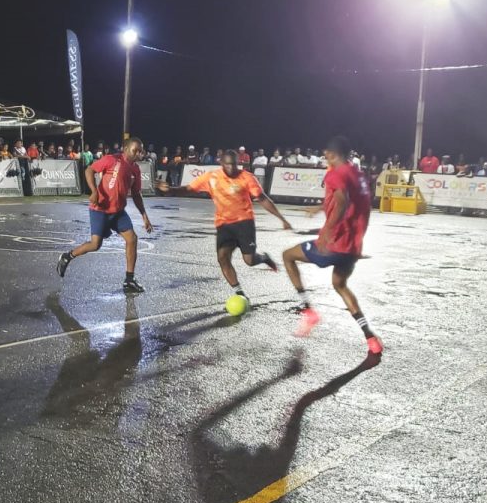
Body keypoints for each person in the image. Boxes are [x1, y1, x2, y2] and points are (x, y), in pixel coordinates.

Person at [280, 135, 381, 356]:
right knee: (340, 285)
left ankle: (308, 310)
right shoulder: (360, 176)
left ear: (332, 154)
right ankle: (370, 337)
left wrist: (326, 232)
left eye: (327, 154)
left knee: (288, 256)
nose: (325, 157)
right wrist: (319, 208)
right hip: (353, 248)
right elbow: (350, 202)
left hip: (334, 244)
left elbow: (342, 202)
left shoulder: (335, 173)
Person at [156, 151, 292, 298]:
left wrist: (282, 219)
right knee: (222, 257)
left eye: (233, 164)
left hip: (244, 223)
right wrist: (170, 190)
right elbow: (188, 189)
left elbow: (263, 199)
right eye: (227, 164)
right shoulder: (212, 177)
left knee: (249, 261)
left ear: (237, 163)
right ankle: (239, 293)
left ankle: (264, 258)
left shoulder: (247, 177)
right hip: (224, 225)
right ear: (221, 164)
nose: (231, 167)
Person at [56, 138, 153, 293]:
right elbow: (89, 170)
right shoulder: (111, 159)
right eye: (136, 150)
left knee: (132, 239)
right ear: (125, 148)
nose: (139, 153)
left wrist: (144, 216)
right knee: (95, 245)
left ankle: (129, 280)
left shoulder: (135, 169)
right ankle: (67, 256)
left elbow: (136, 194)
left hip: (118, 212)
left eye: (141, 151)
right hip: (100, 209)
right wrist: (94, 191)